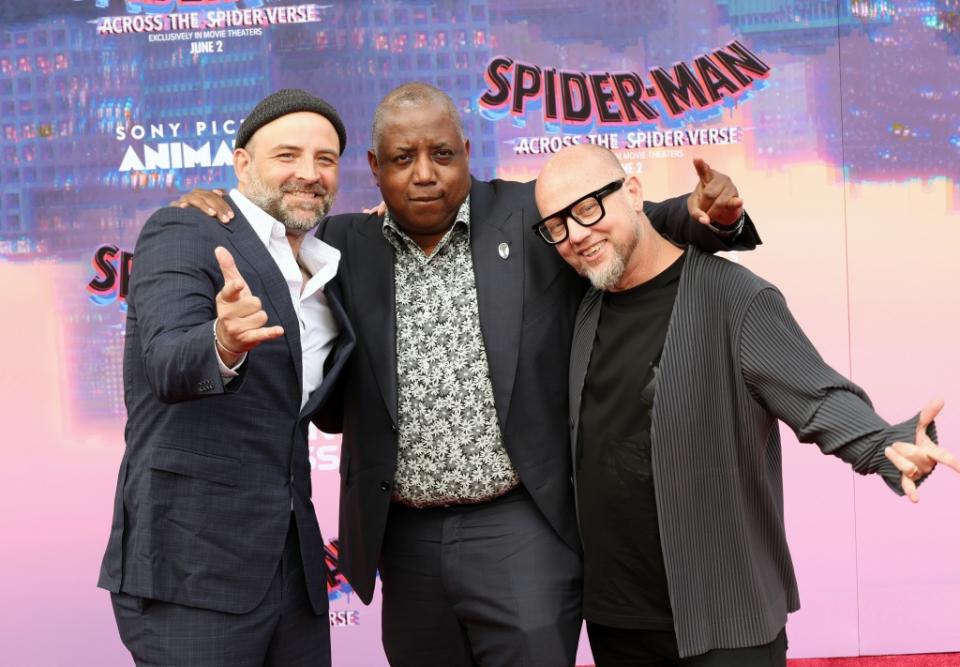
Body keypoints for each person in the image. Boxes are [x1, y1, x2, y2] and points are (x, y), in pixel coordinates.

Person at [174, 81, 760, 666]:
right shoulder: (345, 243)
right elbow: (266, 235)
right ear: (376, 168)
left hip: (520, 526)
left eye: (442, 155)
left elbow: (621, 221)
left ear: (467, 152)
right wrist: (211, 211)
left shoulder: (527, 215)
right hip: (403, 540)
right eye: (403, 159)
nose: (425, 174)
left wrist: (703, 215)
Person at [532, 143, 959, 667]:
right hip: (616, 622)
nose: (576, 234)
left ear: (635, 193)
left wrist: (884, 444)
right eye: (557, 224)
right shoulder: (582, 307)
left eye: (587, 208)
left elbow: (817, 397)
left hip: (725, 622)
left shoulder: (735, 298)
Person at [97, 89, 356, 667]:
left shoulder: (329, 262)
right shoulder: (185, 230)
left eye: (326, 159)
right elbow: (166, 360)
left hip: (294, 575)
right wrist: (223, 341)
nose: (308, 174)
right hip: (192, 569)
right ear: (242, 164)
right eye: (286, 155)